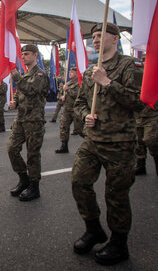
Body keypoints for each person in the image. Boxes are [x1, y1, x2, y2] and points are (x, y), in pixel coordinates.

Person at [72, 22, 143, 266]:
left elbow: (139, 102)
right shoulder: (92, 68)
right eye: (93, 36)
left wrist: (108, 83)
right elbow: (80, 102)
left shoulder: (129, 65)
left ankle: (119, 243)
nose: (95, 39)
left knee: (116, 195)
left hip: (120, 142)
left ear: (115, 39)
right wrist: (84, 116)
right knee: (79, 182)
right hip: (93, 140)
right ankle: (93, 229)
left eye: (101, 35)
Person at [8, 44, 49, 201]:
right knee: (12, 149)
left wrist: (17, 77)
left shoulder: (40, 75)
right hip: (21, 118)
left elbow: (32, 90)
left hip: (34, 120)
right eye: (22, 54)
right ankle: (23, 179)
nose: (23, 56)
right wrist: (15, 101)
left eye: (26, 54)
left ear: (35, 55)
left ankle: (34, 186)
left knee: (32, 155)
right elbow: (21, 93)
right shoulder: (25, 74)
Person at [55, 67, 83, 153]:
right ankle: (64, 146)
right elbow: (61, 95)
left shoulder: (79, 83)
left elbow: (77, 95)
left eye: (72, 72)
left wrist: (68, 90)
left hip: (76, 110)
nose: (70, 73)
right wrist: (62, 97)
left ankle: (92, 144)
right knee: (63, 127)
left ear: (76, 74)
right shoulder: (68, 83)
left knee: (80, 130)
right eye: (70, 72)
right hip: (67, 109)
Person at [134, 101, 158, 176]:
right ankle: (140, 165)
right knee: (138, 141)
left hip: (153, 113)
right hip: (137, 114)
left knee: (151, 140)